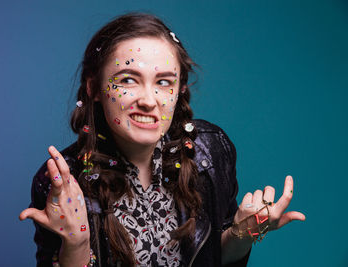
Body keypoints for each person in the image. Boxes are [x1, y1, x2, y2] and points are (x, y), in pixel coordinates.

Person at [19, 13, 305, 267]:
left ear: (179, 89)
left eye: (164, 82)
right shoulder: (63, 183)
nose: (148, 100)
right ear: (94, 88)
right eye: (128, 80)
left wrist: (243, 234)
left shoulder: (211, 152)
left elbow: (214, 258)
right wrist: (77, 243)